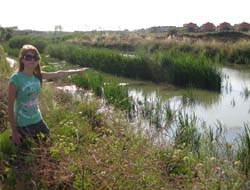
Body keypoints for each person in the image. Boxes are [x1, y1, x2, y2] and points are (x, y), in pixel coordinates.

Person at [8, 44, 88, 145]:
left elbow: (59, 73)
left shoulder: (38, 76)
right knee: (27, 154)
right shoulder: (16, 79)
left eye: (35, 57)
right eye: (28, 57)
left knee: (49, 145)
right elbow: (10, 107)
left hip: (38, 119)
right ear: (22, 60)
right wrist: (14, 132)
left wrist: (78, 71)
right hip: (23, 124)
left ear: (38, 60)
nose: (32, 60)